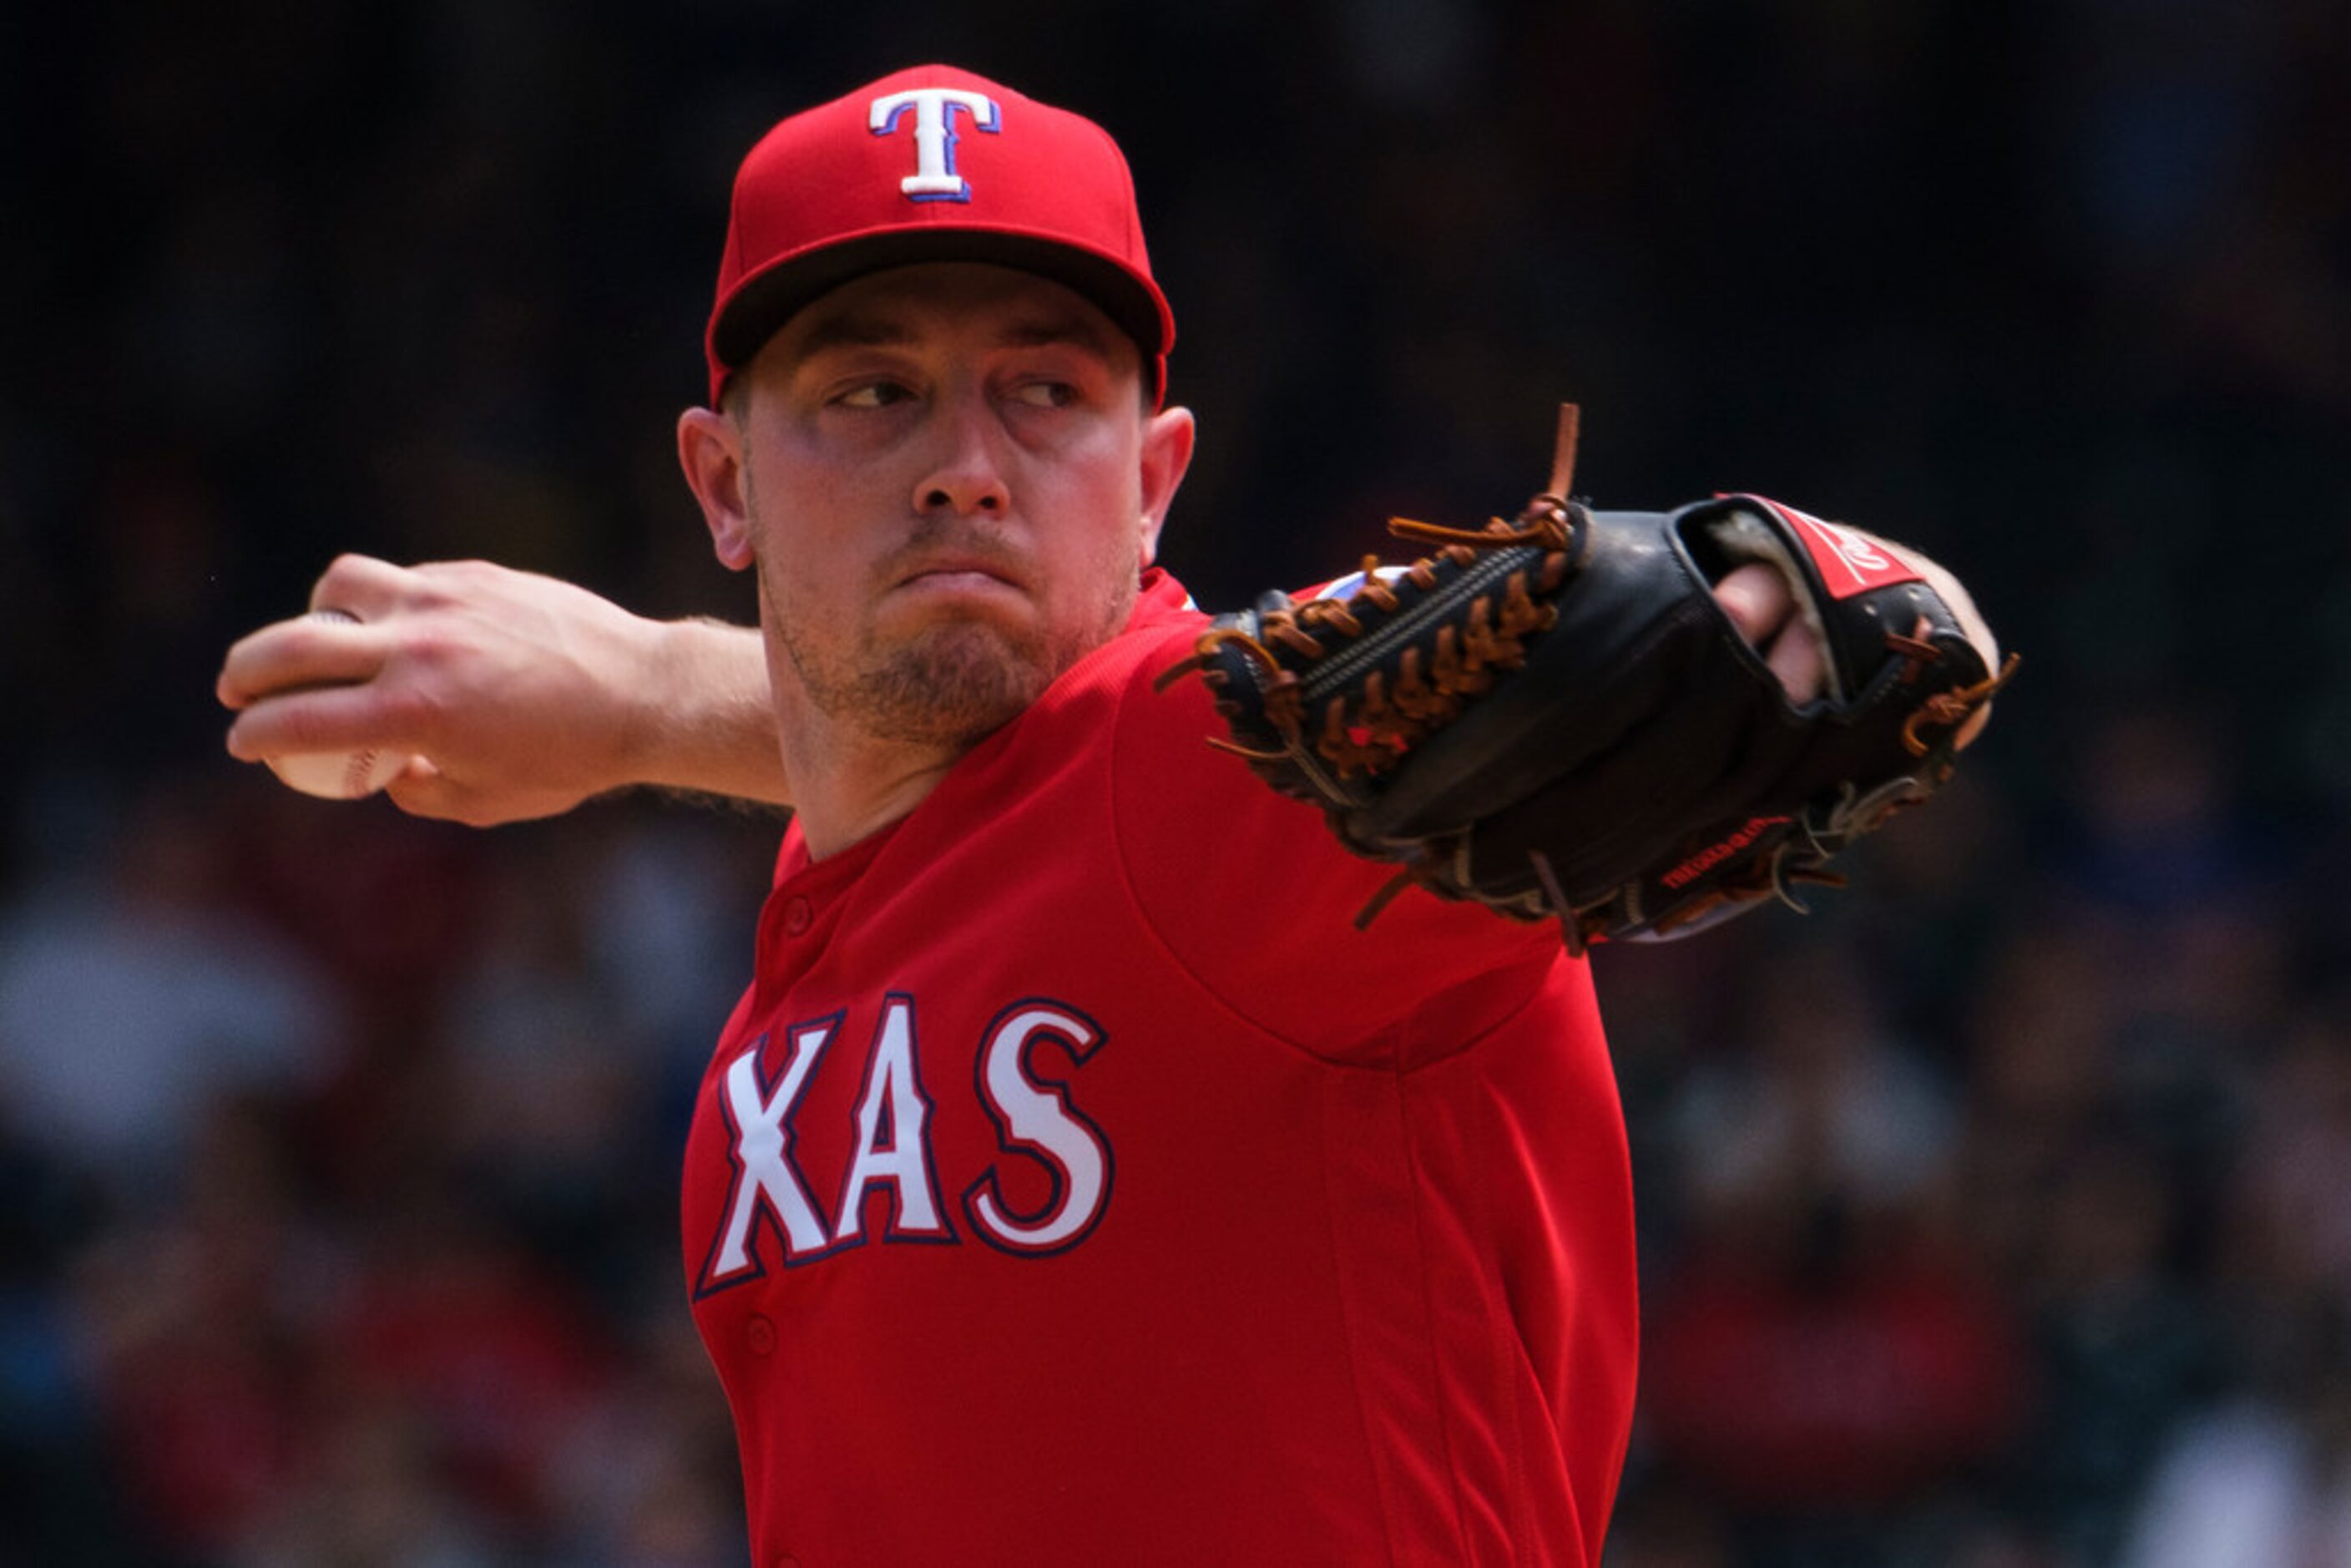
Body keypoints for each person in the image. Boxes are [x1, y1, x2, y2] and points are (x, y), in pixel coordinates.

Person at [218, 64, 1998, 1566]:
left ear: (1156, 483)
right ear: (721, 483)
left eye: (1047, 391)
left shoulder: (1229, 788)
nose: (964, 460)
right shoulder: (809, 961)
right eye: (868, 390)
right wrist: (635, 707)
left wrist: (642, 695)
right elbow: (970, 794)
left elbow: (1877, 625)